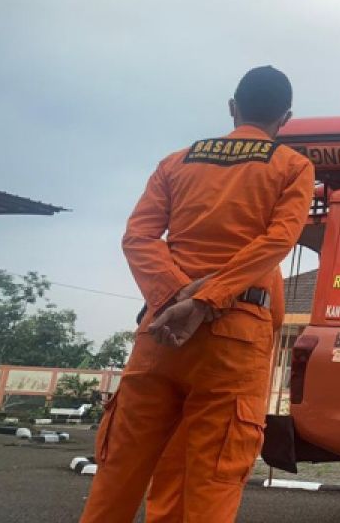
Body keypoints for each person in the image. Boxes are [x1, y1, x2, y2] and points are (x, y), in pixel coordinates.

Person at [79, 66, 315, 523]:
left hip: (160, 334)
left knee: (119, 474)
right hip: (234, 342)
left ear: (232, 107)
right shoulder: (292, 167)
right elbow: (275, 243)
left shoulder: (176, 162)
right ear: (285, 118)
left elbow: (138, 236)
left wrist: (173, 297)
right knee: (212, 483)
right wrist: (206, 302)